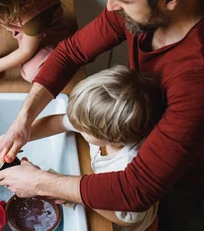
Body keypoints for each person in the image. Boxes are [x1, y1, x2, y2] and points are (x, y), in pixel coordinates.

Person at [0, 0, 204, 230]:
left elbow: (137, 189)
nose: (110, 7)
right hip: (136, 151)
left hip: (188, 184)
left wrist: (40, 182)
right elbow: (70, 53)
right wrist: (23, 120)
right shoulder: (139, 14)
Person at [28, 66, 162, 230]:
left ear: (109, 138)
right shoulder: (99, 124)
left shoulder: (128, 164)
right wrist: (23, 136)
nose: (75, 125)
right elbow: (57, 122)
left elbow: (126, 218)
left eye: (82, 128)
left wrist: (73, 195)